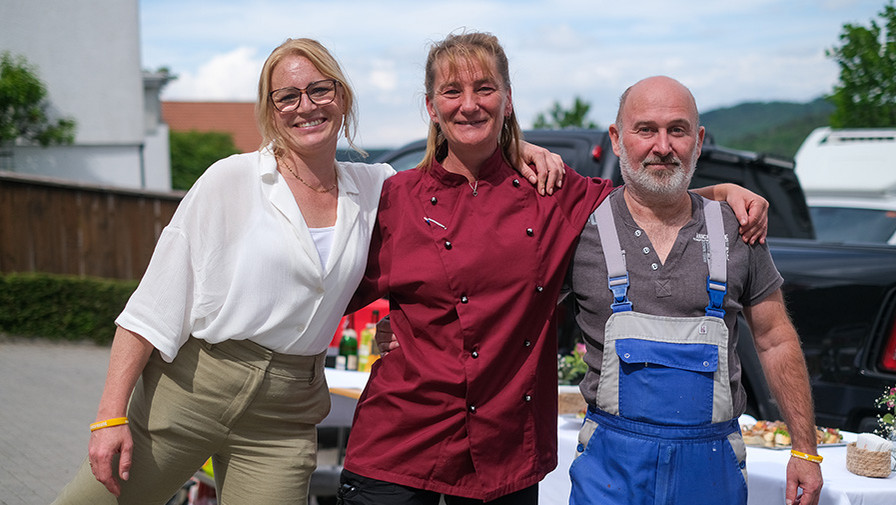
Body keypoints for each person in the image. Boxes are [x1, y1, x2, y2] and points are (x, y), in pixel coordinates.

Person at [50, 36, 574, 505]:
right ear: (271, 110)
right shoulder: (230, 180)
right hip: (193, 388)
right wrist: (110, 417)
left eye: (320, 90)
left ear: (341, 98)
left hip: (286, 411)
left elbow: (457, 171)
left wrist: (512, 144)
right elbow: (150, 309)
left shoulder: (378, 188)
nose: (307, 106)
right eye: (288, 96)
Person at [336, 32, 769, 505]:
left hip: (503, 449)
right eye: (451, 91)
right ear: (430, 106)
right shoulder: (397, 199)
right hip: (400, 439)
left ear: (507, 100)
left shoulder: (553, 191)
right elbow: (329, 293)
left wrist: (721, 194)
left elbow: (645, 198)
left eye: (484, 88)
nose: (469, 104)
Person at [566, 76, 823, 505]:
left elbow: (776, 340)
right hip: (610, 471)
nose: (662, 146)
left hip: (711, 472)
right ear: (616, 138)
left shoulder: (737, 230)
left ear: (698, 141)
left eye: (678, 130)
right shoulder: (579, 229)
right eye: (645, 129)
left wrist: (806, 450)